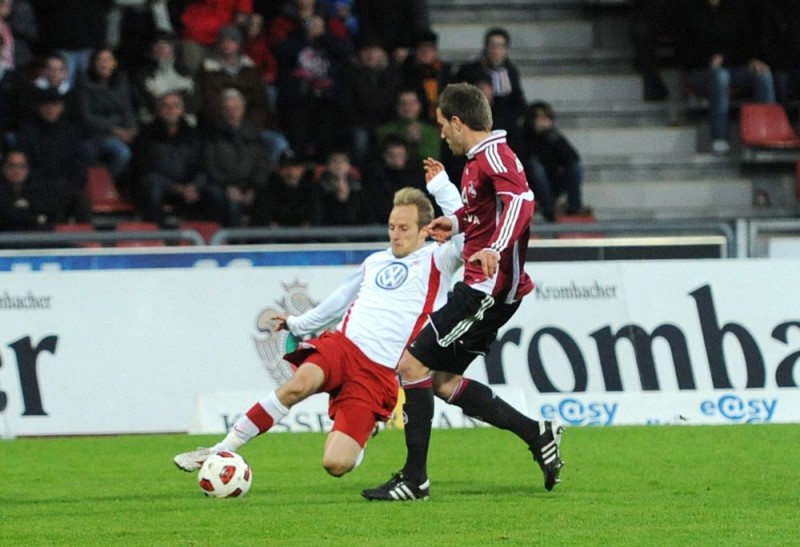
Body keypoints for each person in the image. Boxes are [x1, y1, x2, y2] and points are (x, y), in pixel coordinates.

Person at [173, 181, 464, 479]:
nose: (395, 234)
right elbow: (337, 302)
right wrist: (298, 324)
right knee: (297, 385)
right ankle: (221, 448)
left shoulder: (439, 259)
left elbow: (467, 236)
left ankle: (366, 431)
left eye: (404, 228)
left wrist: (442, 187)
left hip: (377, 375)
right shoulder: (375, 261)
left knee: (336, 465)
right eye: (391, 227)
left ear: (425, 229)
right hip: (343, 347)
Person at [362, 82, 563, 502]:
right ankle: (536, 433)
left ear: (457, 122)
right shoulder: (476, 162)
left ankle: (415, 480)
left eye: (442, 125)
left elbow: (522, 203)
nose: (442, 134)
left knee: (411, 366)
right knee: (443, 380)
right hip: (484, 287)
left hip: (487, 290)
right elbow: (482, 214)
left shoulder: (494, 155)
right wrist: (455, 225)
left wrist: (494, 247)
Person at [673, 0, 776, 154]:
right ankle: (719, 137)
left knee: (763, 74)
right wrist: (709, 61)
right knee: (720, 76)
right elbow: (683, 52)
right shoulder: (687, 9)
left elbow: (745, 44)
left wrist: (751, 59)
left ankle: (768, 132)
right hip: (699, 70)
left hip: (731, 66)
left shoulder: (735, 7)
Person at [132, 91, 225, 227]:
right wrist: (176, 188)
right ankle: (161, 239)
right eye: (166, 106)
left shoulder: (194, 136)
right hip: (164, 188)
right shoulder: (146, 137)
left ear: (182, 110)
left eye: (175, 106)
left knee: (216, 194)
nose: (171, 110)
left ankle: (217, 241)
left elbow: (205, 167)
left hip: (190, 189)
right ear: (159, 111)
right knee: (151, 191)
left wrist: (194, 186)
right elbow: (144, 172)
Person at [16, 87, 91, 224]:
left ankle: (86, 242)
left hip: (67, 186)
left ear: (61, 107)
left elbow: (80, 165)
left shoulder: (71, 132)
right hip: (37, 188)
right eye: (46, 105)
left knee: (81, 203)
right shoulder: (28, 132)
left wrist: (70, 185)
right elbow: (24, 165)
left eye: (54, 105)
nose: (50, 109)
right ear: (40, 107)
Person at [203, 87, 270, 227]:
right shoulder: (213, 135)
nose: (232, 112)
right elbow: (210, 166)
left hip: (251, 186)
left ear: (243, 109)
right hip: (223, 186)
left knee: (265, 199)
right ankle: (233, 245)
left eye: (235, 108)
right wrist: (228, 186)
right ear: (222, 111)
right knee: (229, 203)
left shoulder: (255, 136)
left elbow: (262, 166)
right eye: (227, 108)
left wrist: (253, 188)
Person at [455, 27, 527, 154]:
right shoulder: (469, 71)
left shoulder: (510, 72)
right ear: (486, 47)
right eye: (493, 45)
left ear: (506, 49)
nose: (496, 50)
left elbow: (518, 101)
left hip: (505, 125)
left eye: (500, 46)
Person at [77, 47, 138, 189]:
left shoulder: (121, 82)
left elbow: (127, 109)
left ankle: (105, 187)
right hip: (91, 135)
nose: (104, 64)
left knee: (126, 153)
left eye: (108, 60)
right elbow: (87, 117)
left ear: (114, 63)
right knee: (92, 152)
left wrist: (131, 129)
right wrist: (114, 128)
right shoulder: (84, 83)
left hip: (116, 135)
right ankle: (99, 188)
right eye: (100, 60)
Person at [522, 101, 590, 223]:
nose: (545, 122)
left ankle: (574, 207)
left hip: (552, 183)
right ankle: (548, 209)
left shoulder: (553, 137)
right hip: (530, 186)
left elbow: (573, 159)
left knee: (576, 168)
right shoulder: (523, 137)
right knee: (535, 167)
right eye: (541, 118)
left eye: (547, 118)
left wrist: (555, 140)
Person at [249, 150, 315, 228]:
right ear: (279, 169)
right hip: (274, 237)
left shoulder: (311, 190)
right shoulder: (266, 190)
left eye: (294, 166)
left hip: (303, 237)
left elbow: (315, 217)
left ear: (302, 169)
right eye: (286, 166)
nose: (290, 171)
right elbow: (260, 219)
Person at [376, 88, 440, 166]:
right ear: (397, 106)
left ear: (420, 105)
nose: (408, 107)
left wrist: (417, 144)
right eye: (403, 103)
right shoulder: (386, 130)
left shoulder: (431, 131)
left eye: (412, 103)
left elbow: (433, 159)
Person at [313, 149, 369, 225]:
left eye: (342, 162)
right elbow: (318, 216)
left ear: (348, 166)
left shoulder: (358, 188)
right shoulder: (318, 188)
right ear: (328, 166)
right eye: (334, 161)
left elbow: (363, 216)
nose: (338, 165)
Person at [0, 149, 51, 231]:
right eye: (12, 166)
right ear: (4, 168)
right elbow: (7, 217)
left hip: (34, 239)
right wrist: (34, 218)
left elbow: (47, 214)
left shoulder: (37, 190)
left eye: (22, 166)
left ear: (27, 170)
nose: (17, 171)